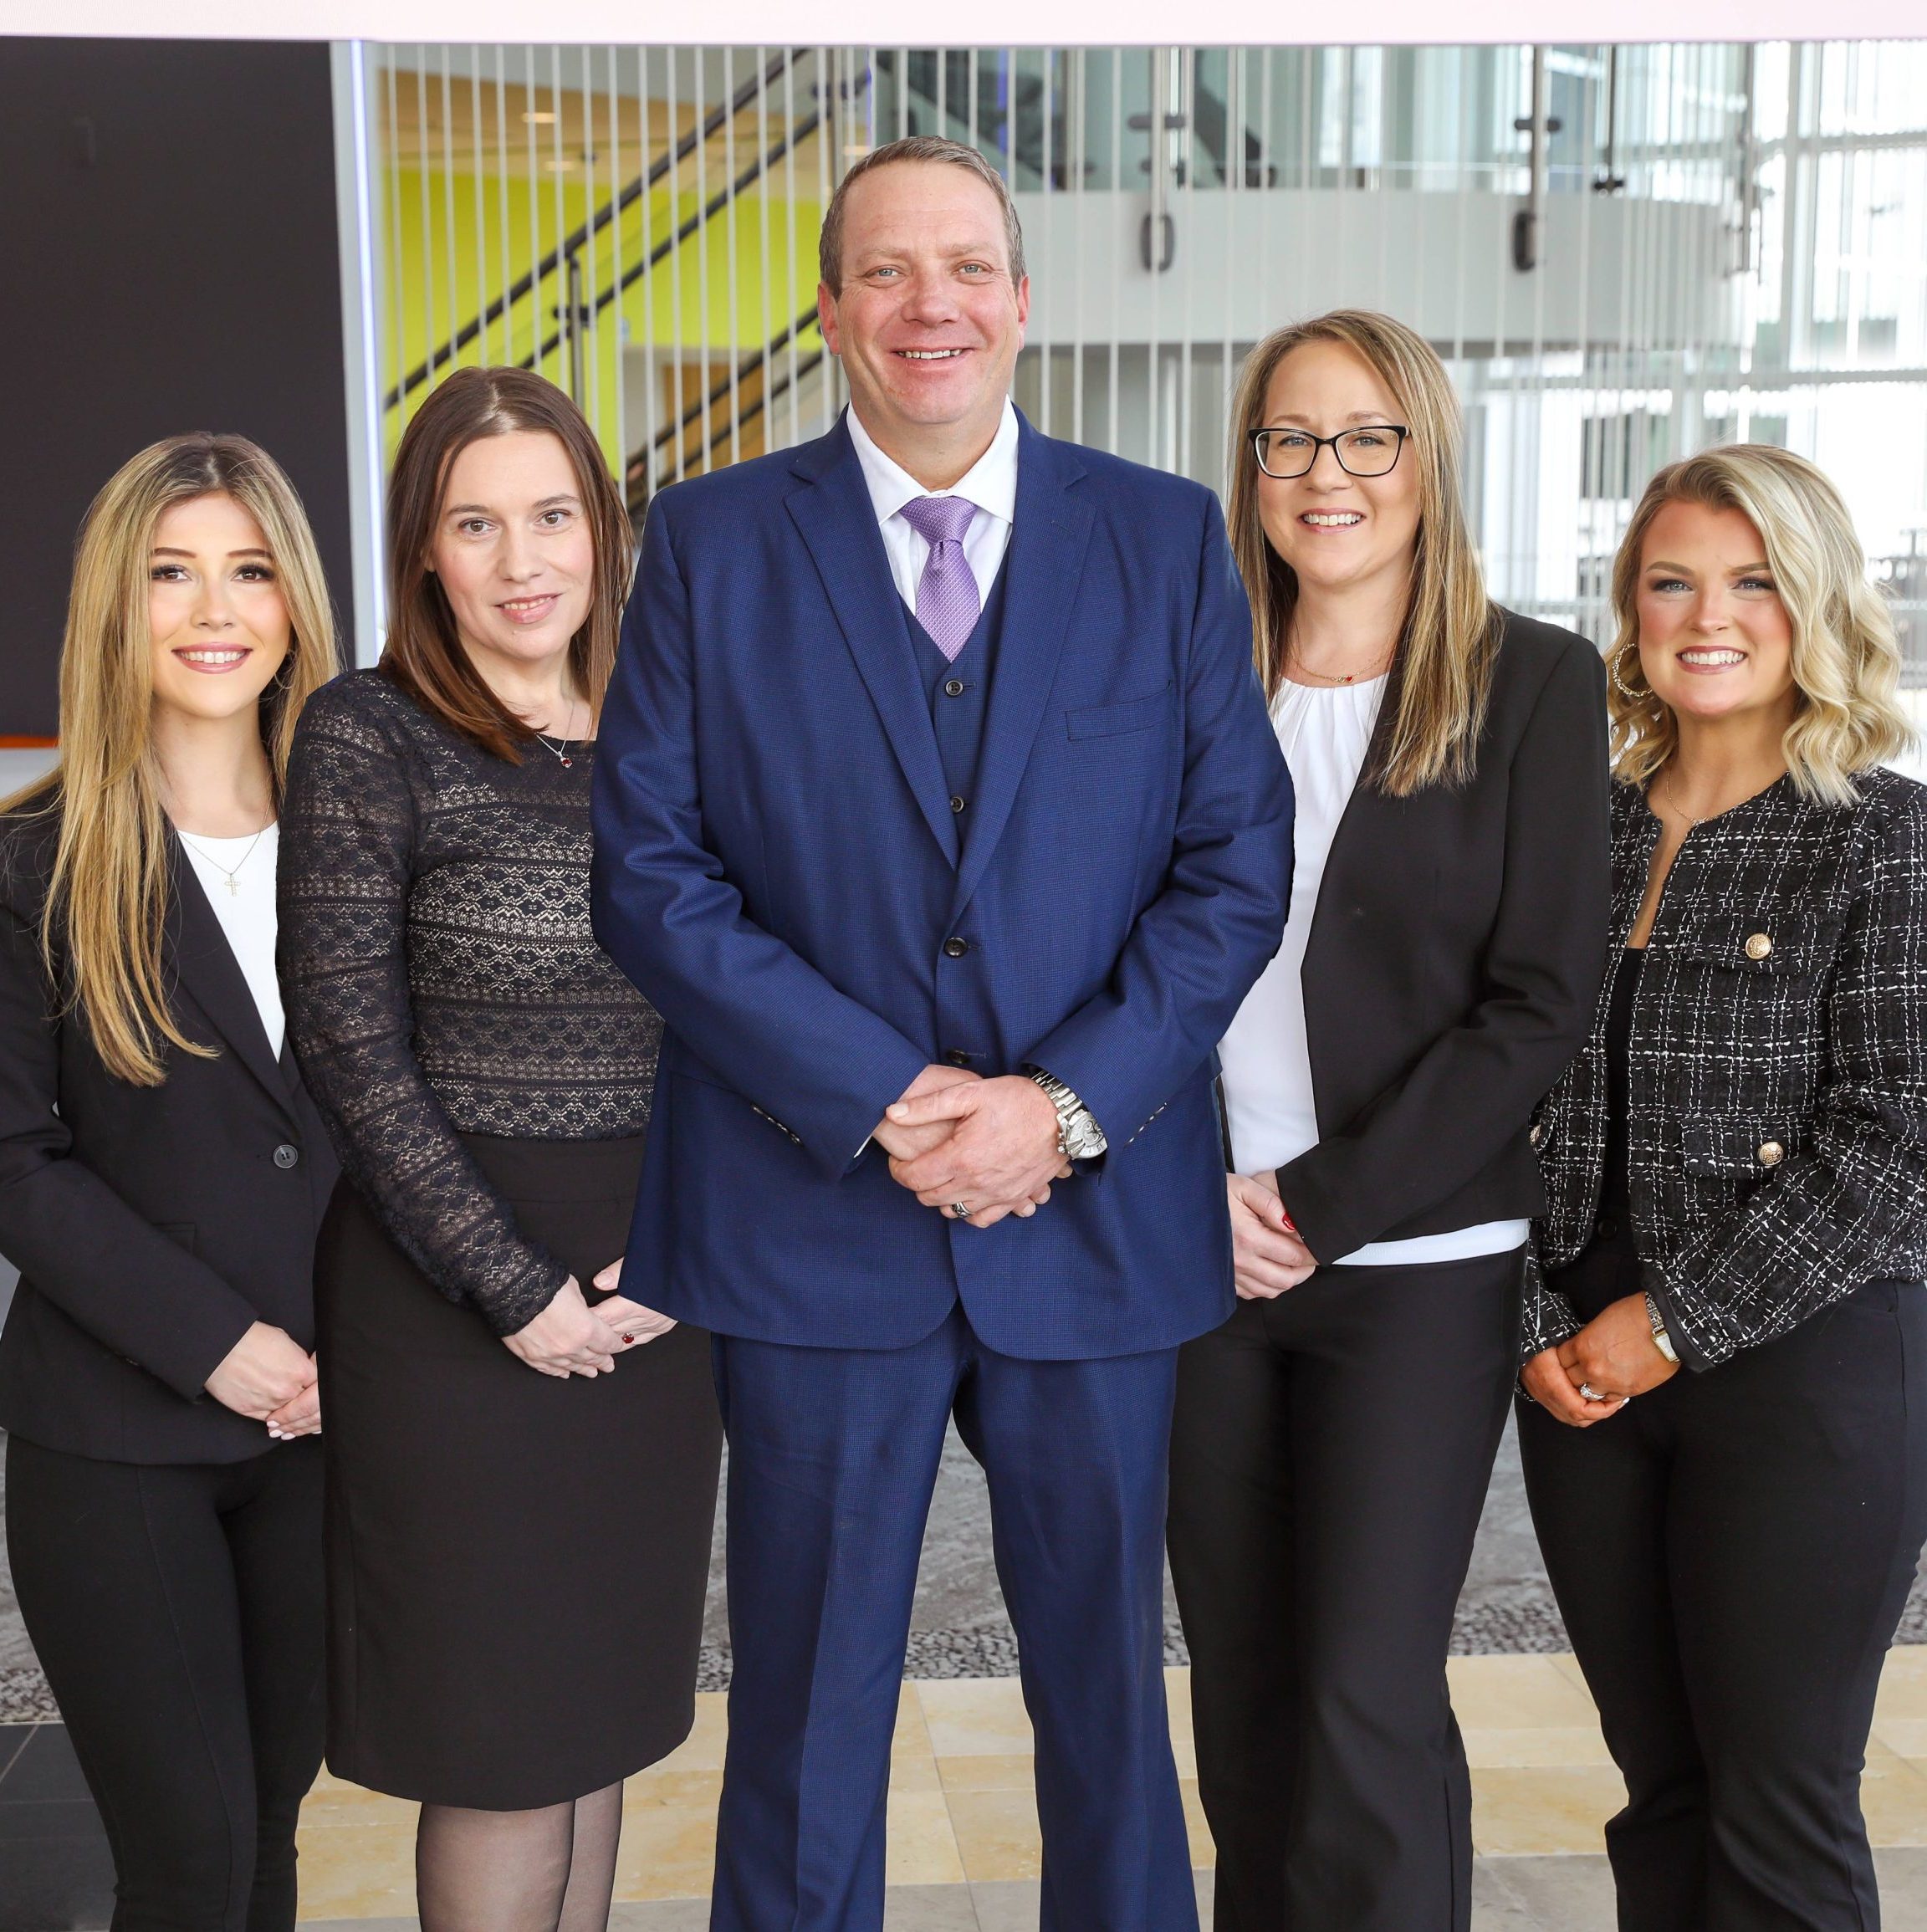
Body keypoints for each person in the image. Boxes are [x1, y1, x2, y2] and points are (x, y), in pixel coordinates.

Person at [589, 135, 1292, 1932]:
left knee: (1110, 1714)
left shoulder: (1161, 537)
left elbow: (1234, 867)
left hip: (1094, 1217)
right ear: (831, 309)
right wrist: (888, 1095)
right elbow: (651, 876)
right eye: (888, 271)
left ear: (1023, 300)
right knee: (803, 1723)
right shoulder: (710, 542)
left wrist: (1061, 1105)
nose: (932, 305)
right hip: (812, 1219)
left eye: (967, 266)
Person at [1163, 309, 1613, 1932]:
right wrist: (1193, 1191)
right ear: (1250, 467)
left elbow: (1538, 1002)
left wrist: (1320, 1202)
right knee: (1242, 1694)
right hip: (1199, 1256)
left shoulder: (1533, 682)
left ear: (1428, 457)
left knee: (1365, 1695)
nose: (1326, 472)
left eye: (1368, 437)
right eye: (1290, 437)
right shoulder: (1188, 673)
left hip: (1416, 1262)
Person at [278, 367, 721, 1932]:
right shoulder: (368, 731)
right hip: (449, 1304)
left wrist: (685, 1245)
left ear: (606, 529)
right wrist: (516, 1286)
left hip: (656, 1287)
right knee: (504, 1746)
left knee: (595, 1724)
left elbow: (747, 1012)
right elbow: (347, 1045)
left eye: (552, 515)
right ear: (424, 548)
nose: (523, 559)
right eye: (476, 524)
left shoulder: (678, 726)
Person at [1518, 444, 1927, 1931]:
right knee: (1663, 1788)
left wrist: (1669, 1325)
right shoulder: (1572, 824)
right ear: (1630, 609)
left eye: (1754, 582)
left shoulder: (1886, 836)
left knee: (1779, 1799)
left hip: (1802, 1368)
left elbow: (1898, 1144)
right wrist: (1532, 1323)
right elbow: (1490, 1086)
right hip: (1577, 1374)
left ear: (1814, 604)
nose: (1709, 616)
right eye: (1671, 581)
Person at [0, 433, 340, 1930]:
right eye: (170, 573)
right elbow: (13, 1160)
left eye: (250, 570)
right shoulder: (34, 863)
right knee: (189, 1861)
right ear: (113, 605)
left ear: (294, 600)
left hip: (330, 1430)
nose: (216, 610)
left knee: (267, 1828)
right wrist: (216, 1341)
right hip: (118, 1438)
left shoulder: (364, 840)